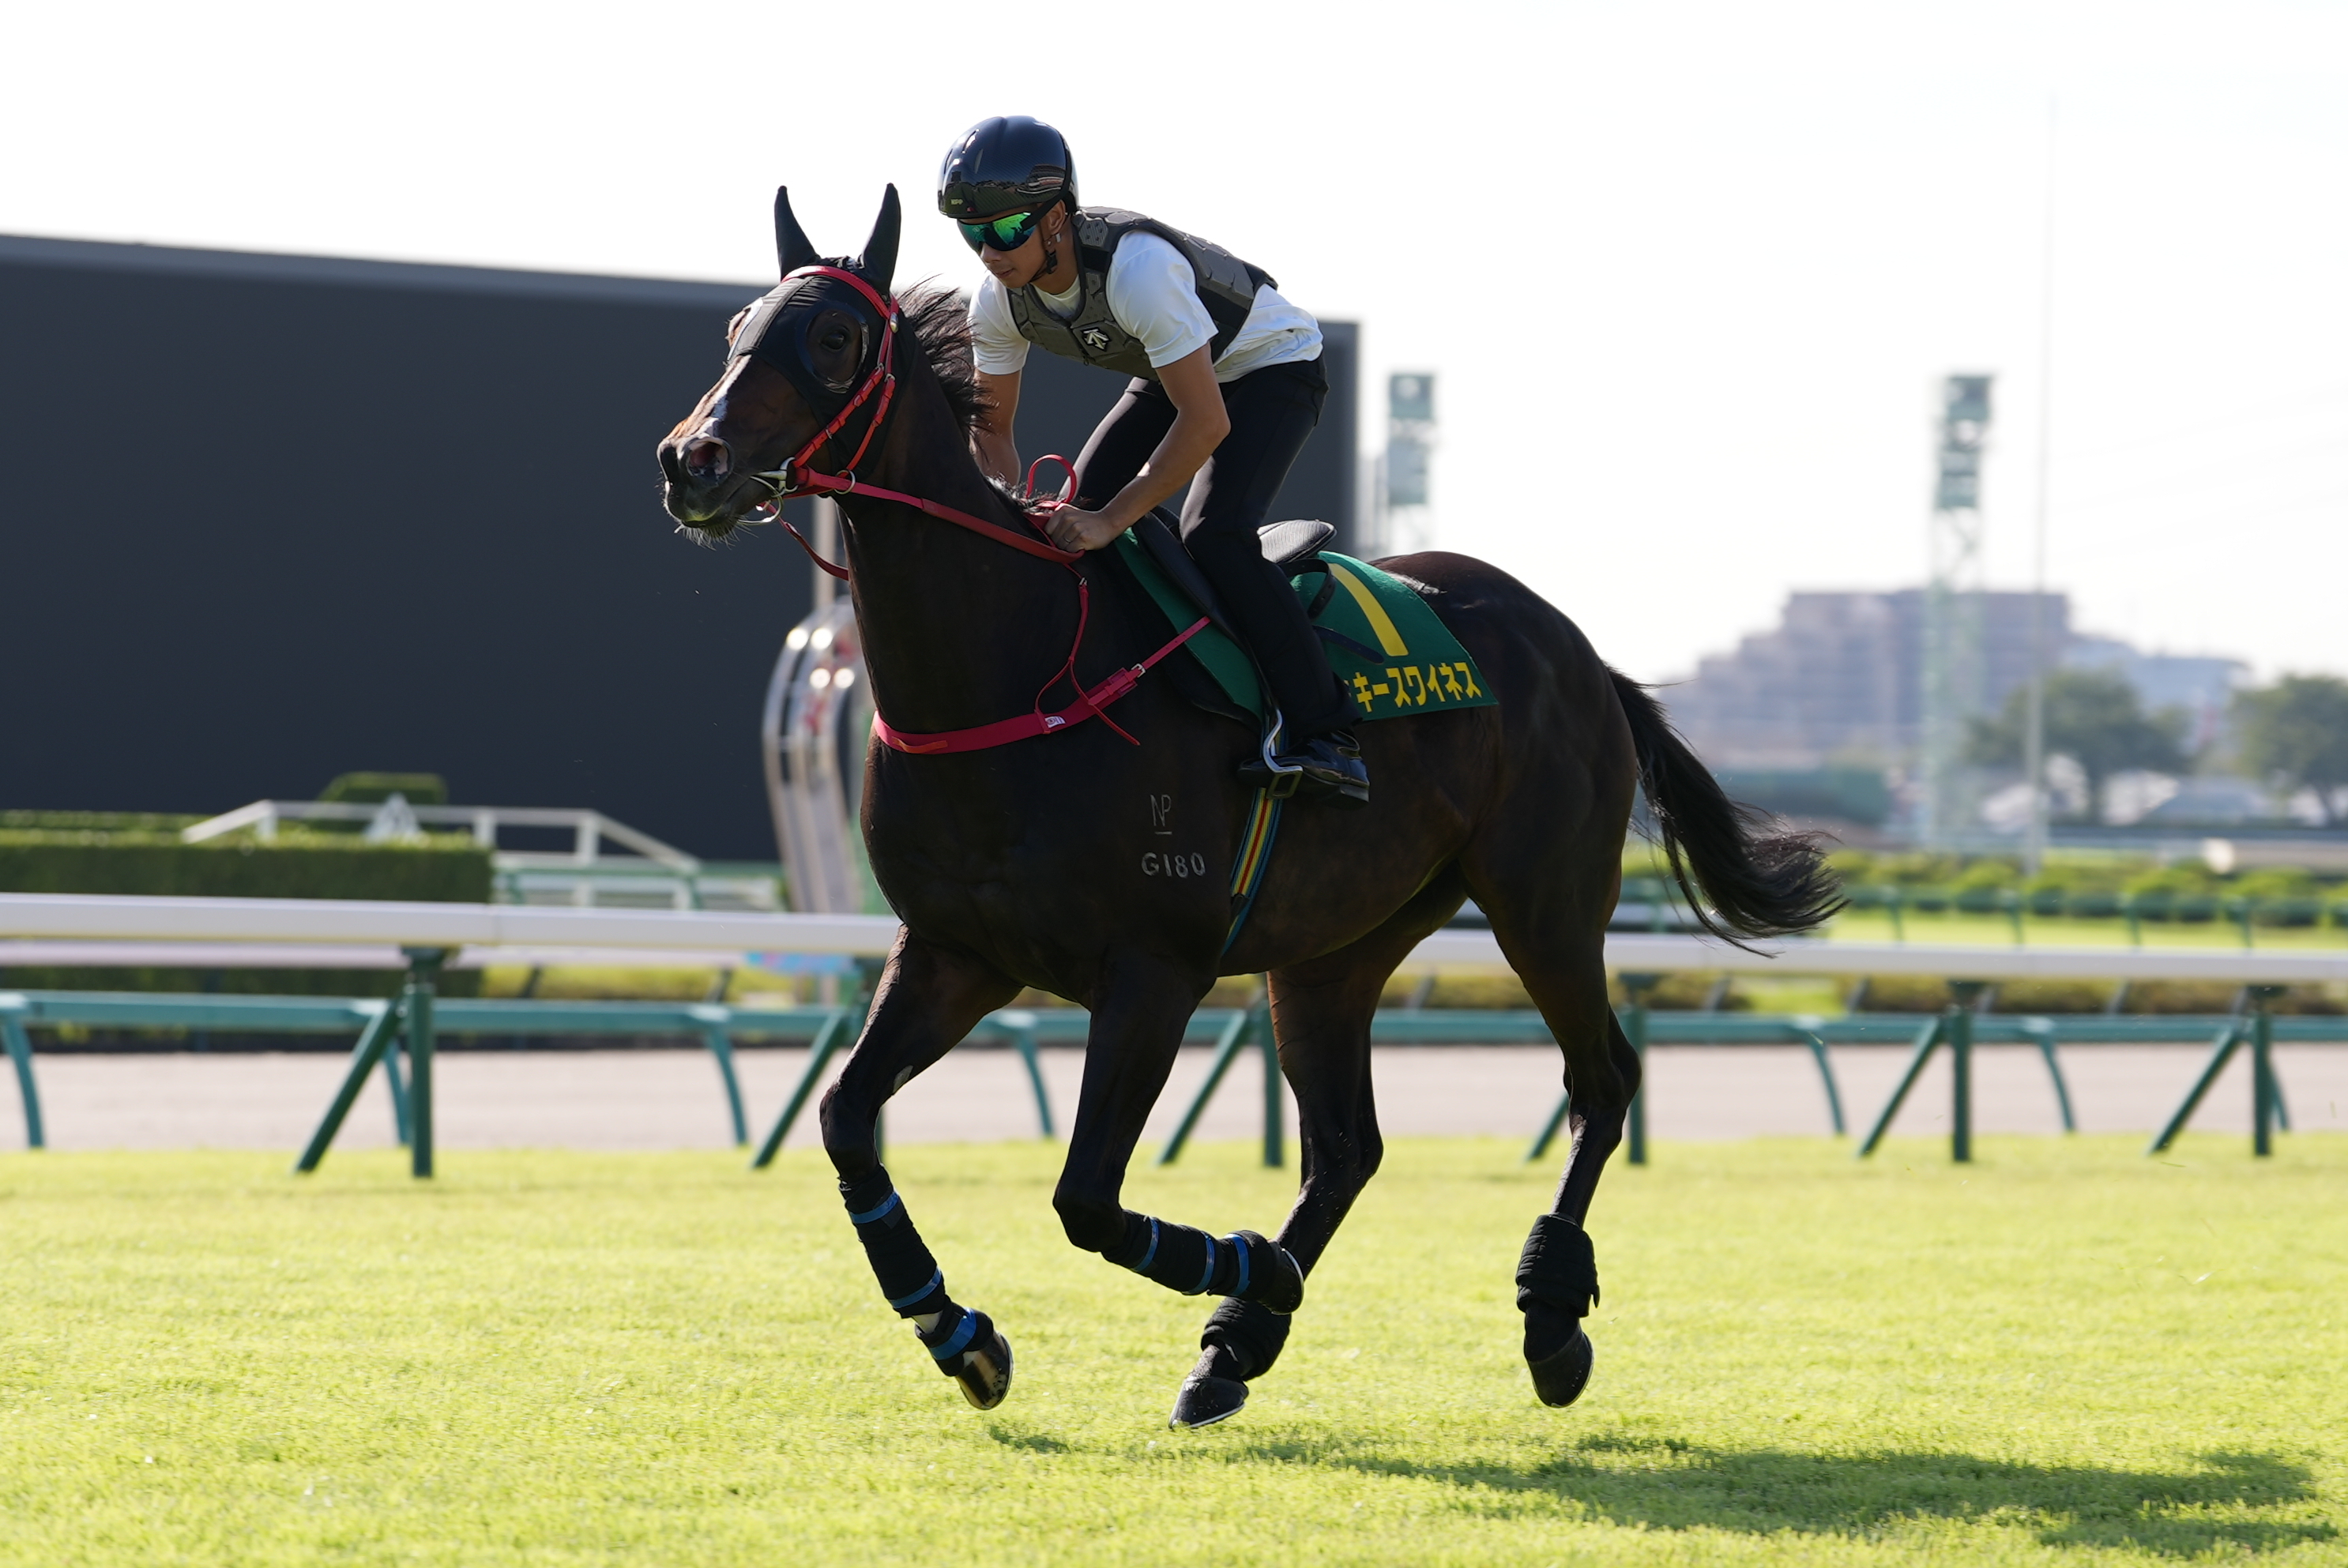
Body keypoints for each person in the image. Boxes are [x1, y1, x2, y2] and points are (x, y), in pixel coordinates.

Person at [937, 115, 1368, 807]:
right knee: (1068, 521)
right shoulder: (996, 302)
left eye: (1007, 228)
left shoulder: (1140, 272)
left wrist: (1112, 518)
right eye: (973, 232)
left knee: (1213, 536)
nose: (990, 250)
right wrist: (1001, 513)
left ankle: (1326, 732)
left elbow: (1207, 423)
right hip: (1177, 371)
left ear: (1056, 218)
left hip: (1270, 367)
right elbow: (992, 433)